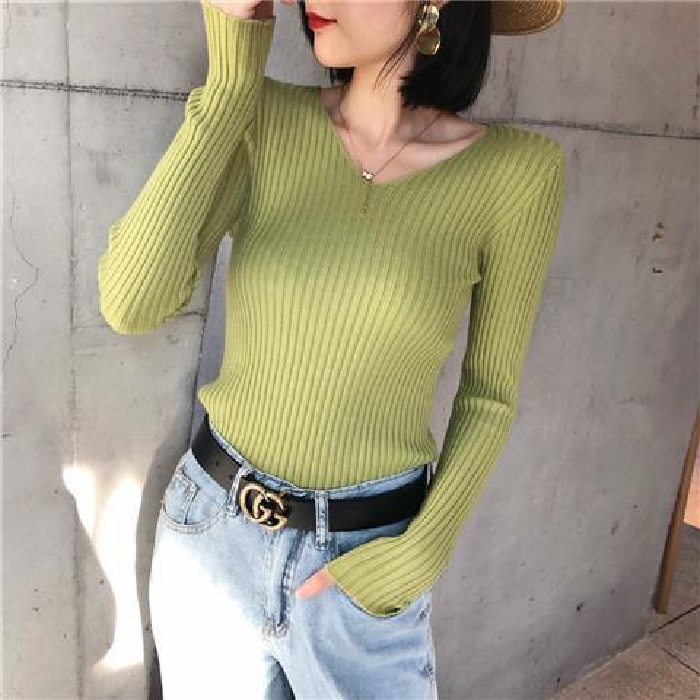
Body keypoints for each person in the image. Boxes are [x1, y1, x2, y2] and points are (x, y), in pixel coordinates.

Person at [97, 0, 568, 697]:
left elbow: (489, 394)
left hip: (365, 560)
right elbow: (132, 303)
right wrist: (230, 87)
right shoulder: (261, 116)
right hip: (212, 535)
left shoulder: (518, 172)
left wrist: (421, 552)